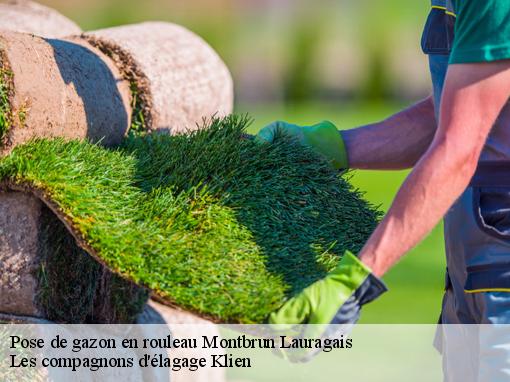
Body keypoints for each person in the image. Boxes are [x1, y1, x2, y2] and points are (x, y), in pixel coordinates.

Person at [259, 0, 510, 376]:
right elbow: (448, 111)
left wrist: (355, 280)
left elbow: (457, 149)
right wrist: (333, 146)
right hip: (472, 276)